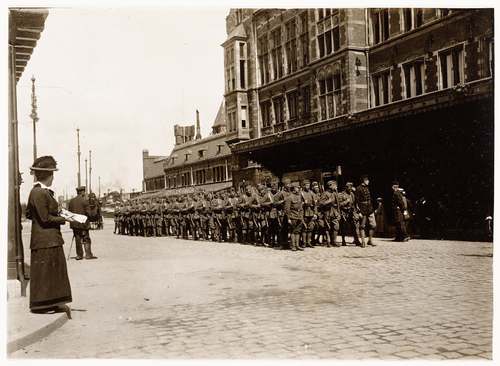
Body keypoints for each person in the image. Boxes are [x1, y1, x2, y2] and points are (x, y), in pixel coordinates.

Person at [26, 156, 72, 314]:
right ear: (48, 175)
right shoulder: (39, 193)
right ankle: (43, 304)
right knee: (46, 273)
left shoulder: (40, 192)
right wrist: (64, 218)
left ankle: (52, 302)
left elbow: (30, 214)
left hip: (48, 239)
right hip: (46, 240)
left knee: (51, 272)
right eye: (52, 174)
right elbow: (45, 218)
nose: (53, 177)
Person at [68, 186, 98, 259]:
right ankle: (88, 255)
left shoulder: (71, 201)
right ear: (82, 192)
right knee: (86, 238)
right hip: (83, 224)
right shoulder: (85, 201)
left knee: (77, 239)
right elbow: (89, 213)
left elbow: (69, 213)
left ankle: (79, 255)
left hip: (74, 224)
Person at [355, 175, 376, 247]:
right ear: (364, 181)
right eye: (367, 180)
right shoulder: (358, 189)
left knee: (373, 225)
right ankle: (363, 242)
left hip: (370, 209)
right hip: (362, 209)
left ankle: (370, 240)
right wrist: (359, 212)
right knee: (362, 226)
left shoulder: (367, 188)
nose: (368, 181)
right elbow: (356, 202)